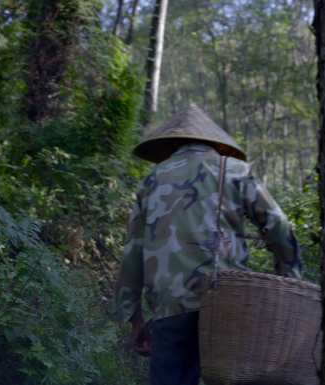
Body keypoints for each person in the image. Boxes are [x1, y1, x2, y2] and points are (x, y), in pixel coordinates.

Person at [115, 104, 301, 385]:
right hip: (228, 301)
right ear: (214, 142)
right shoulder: (235, 170)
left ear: (172, 145)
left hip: (169, 308)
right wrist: (291, 281)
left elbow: (133, 252)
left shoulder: (151, 180)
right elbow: (279, 226)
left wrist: (135, 318)